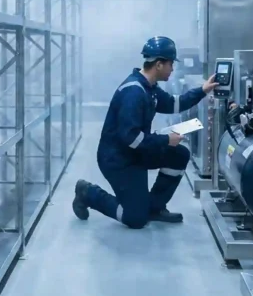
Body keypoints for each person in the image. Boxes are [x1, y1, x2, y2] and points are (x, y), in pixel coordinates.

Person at [72, 36, 218, 228]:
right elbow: (131, 139)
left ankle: (155, 207)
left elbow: (175, 103)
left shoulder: (150, 89)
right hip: (118, 160)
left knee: (179, 155)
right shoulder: (134, 93)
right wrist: (166, 139)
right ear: (159, 64)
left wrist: (203, 90)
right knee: (135, 219)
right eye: (170, 64)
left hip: (135, 153)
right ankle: (88, 193)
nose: (172, 69)